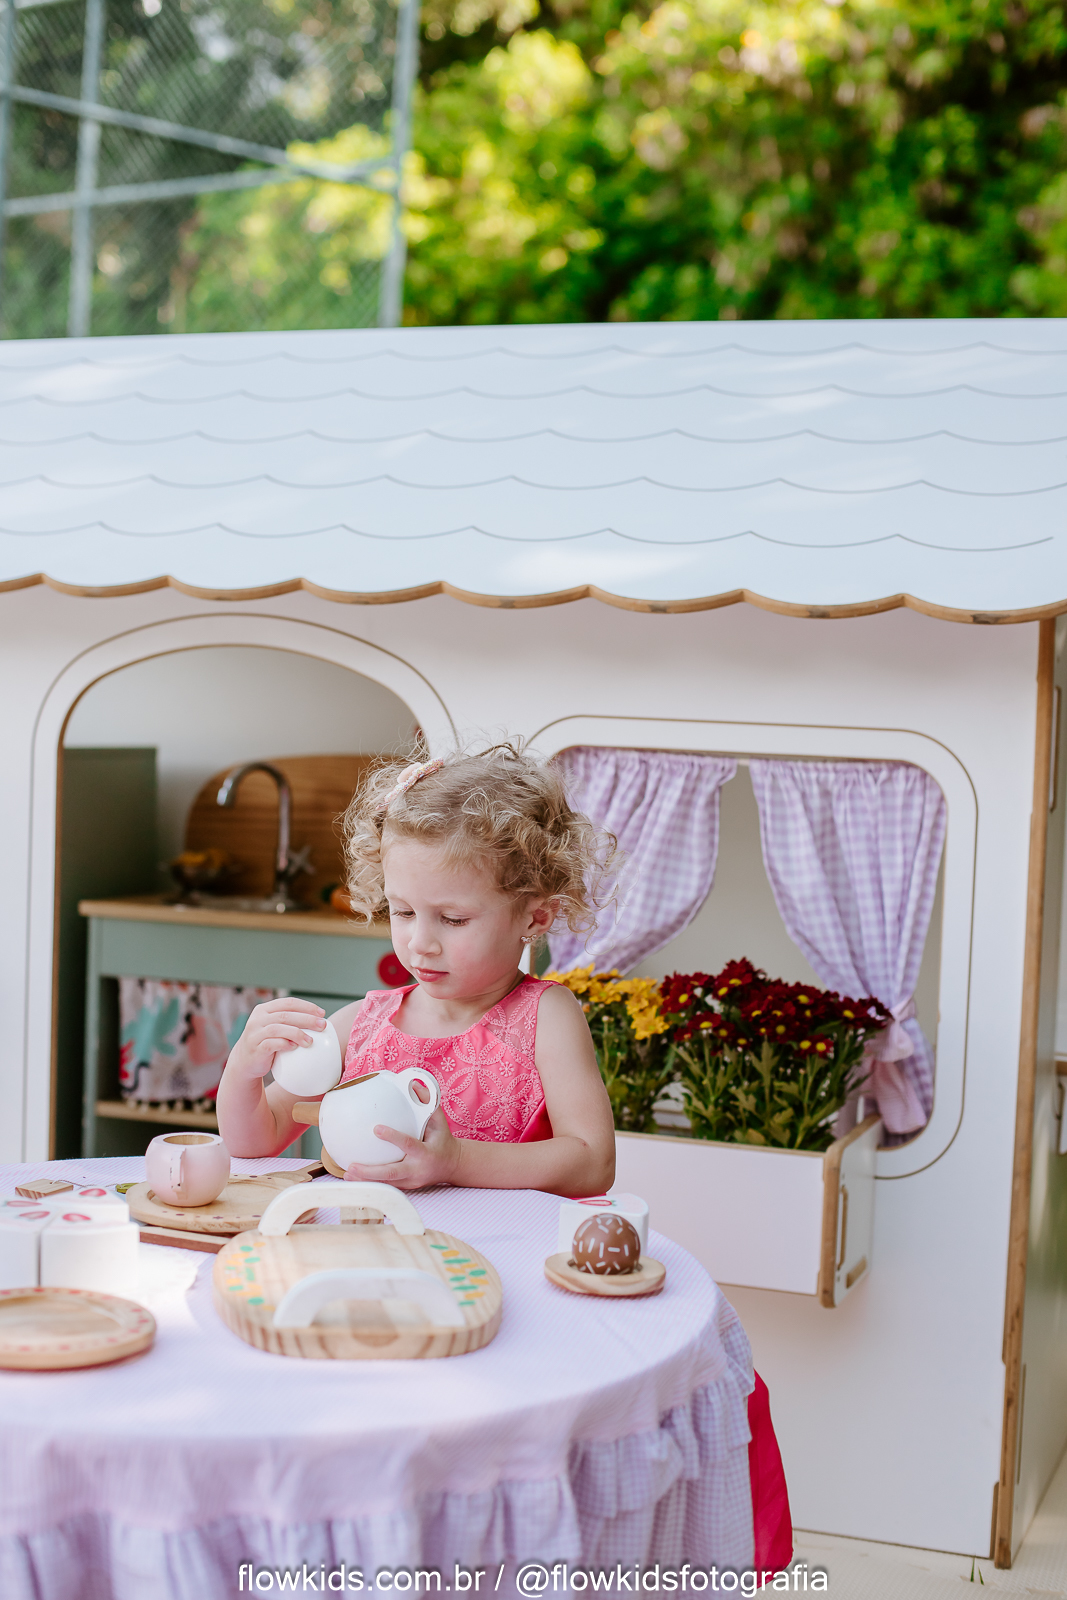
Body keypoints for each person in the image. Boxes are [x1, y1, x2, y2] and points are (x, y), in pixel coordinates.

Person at [216, 744, 616, 1196]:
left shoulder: (546, 1018)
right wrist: (243, 1070)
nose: (420, 942)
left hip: (499, 1238)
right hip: (373, 1236)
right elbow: (256, 1142)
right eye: (403, 912)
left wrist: (455, 1161)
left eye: (454, 919)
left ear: (535, 916)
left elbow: (594, 1163)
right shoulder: (359, 1028)